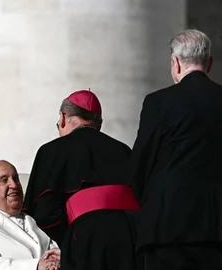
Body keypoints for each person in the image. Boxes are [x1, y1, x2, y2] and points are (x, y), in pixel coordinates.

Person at [132, 29, 222, 270]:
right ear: (209, 63)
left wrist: (151, 204)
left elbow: (141, 162)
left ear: (175, 63)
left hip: (167, 227)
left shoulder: (159, 102)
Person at [23, 90, 140, 270]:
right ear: (99, 124)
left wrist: (68, 244)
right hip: (132, 237)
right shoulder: (123, 150)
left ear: (62, 118)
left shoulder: (51, 151)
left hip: (85, 238)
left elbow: (44, 214)